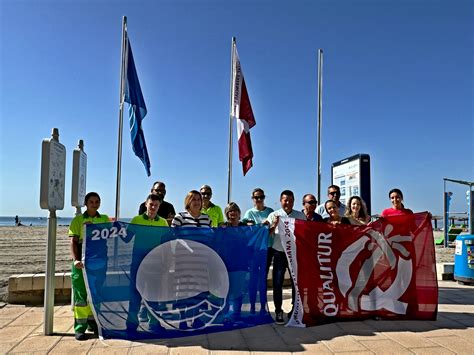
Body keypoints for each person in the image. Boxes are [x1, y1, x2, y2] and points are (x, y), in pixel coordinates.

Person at [68, 192, 109, 341]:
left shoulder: (103, 219)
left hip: (99, 262)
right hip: (82, 263)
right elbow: (73, 242)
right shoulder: (78, 220)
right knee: (81, 296)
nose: (94, 204)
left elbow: (110, 234)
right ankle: (80, 328)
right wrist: (76, 260)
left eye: (97, 201)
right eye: (91, 202)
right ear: (86, 203)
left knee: (96, 293)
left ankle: (94, 323)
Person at [126, 194, 168, 332]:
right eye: (151, 204)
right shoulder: (136, 220)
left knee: (154, 294)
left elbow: (166, 243)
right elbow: (126, 239)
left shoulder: (163, 222)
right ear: (146, 204)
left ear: (159, 206)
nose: (153, 207)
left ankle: (154, 324)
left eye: (156, 205)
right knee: (135, 293)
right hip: (137, 261)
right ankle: (131, 324)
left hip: (154, 261)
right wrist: (116, 228)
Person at [265, 190, 306, 325]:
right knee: (277, 282)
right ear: (281, 200)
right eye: (285, 200)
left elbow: (305, 234)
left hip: (294, 253)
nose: (287, 202)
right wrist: (274, 225)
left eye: (290, 200)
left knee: (296, 283)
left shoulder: (300, 215)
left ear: (293, 201)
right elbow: (267, 234)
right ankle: (278, 310)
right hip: (279, 253)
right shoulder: (273, 215)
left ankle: (294, 309)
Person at [243, 188, 274, 315]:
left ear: (264, 198)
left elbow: (272, 230)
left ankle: (262, 306)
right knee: (253, 279)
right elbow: (247, 230)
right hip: (254, 250)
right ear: (252, 199)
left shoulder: (271, 212)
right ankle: (251, 306)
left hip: (267, 249)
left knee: (263, 279)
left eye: (261, 197)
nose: (259, 200)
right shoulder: (249, 213)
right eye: (256, 197)